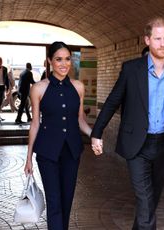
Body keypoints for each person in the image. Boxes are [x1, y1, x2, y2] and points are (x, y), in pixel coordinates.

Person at [91, 16, 164, 230]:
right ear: (147, 40)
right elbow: (113, 100)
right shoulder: (131, 69)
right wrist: (97, 132)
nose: (163, 43)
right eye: (158, 38)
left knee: (150, 203)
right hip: (137, 145)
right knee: (145, 202)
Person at [24, 41, 92, 230]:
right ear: (49, 61)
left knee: (67, 201)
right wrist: (28, 157)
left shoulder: (78, 87)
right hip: (47, 153)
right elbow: (35, 123)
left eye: (67, 59)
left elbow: (80, 121)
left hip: (72, 151)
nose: (64, 64)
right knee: (54, 203)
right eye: (58, 59)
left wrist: (95, 134)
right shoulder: (38, 88)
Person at [0, 57, 9, 122]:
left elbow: (6, 78)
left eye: (1, 61)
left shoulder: (5, 69)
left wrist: (7, 87)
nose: (0, 62)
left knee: (1, 102)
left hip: (2, 87)